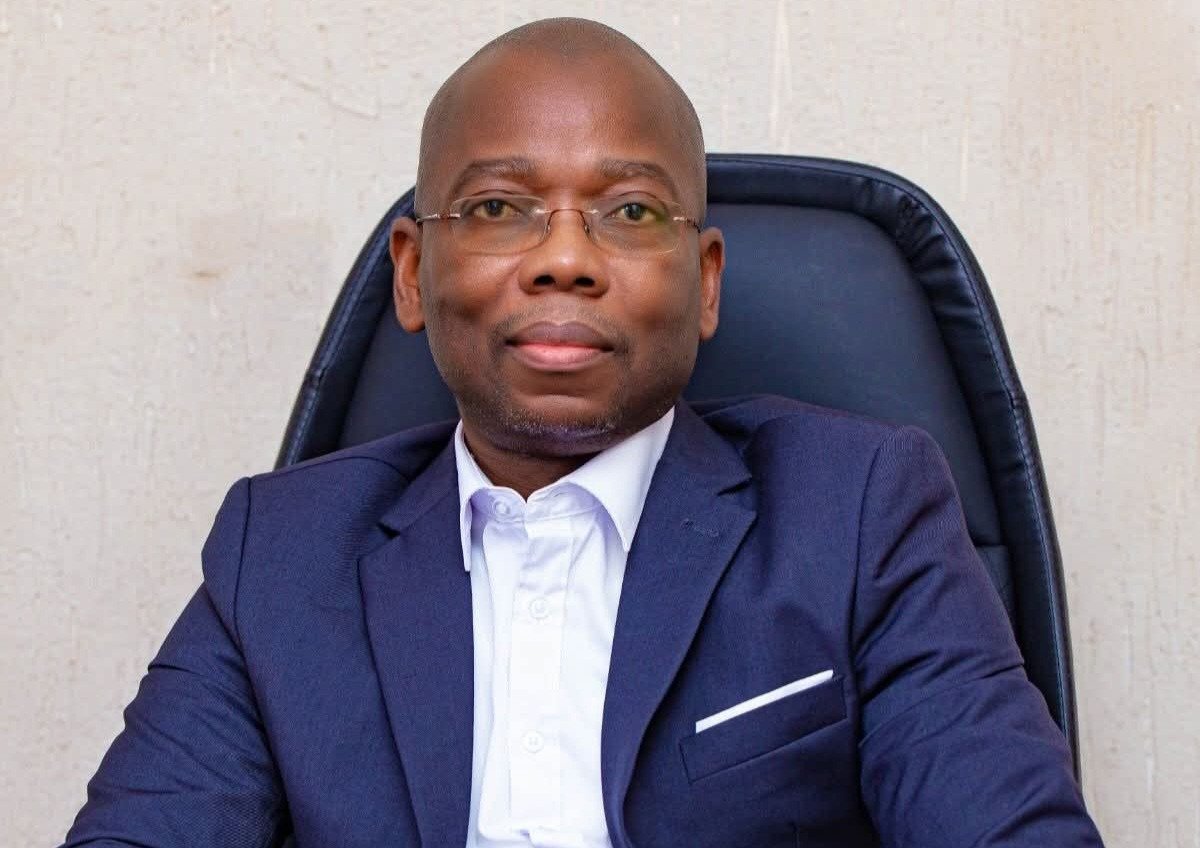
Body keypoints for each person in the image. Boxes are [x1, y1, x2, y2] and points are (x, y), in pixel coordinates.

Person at [62, 17, 1104, 848]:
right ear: (413, 274)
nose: (565, 258)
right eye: (498, 207)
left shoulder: (859, 514)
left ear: (704, 284)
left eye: (632, 212)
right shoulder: (281, 554)